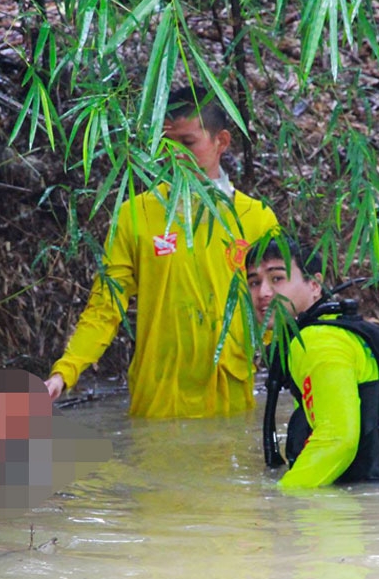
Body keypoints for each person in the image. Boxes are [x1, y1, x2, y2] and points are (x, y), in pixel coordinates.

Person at [44, 87, 280, 418]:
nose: (175, 155)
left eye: (188, 143)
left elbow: (277, 311)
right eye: (166, 144)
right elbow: (105, 307)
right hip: (158, 399)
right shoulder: (135, 216)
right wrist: (64, 372)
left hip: (230, 398)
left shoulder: (255, 219)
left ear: (221, 142)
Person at [246, 236, 379, 489]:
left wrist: (281, 500)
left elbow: (337, 439)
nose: (263, 292)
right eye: (254, 282)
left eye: (277, 279)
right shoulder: (341, 329)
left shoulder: (318, 341)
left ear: (315, 285)